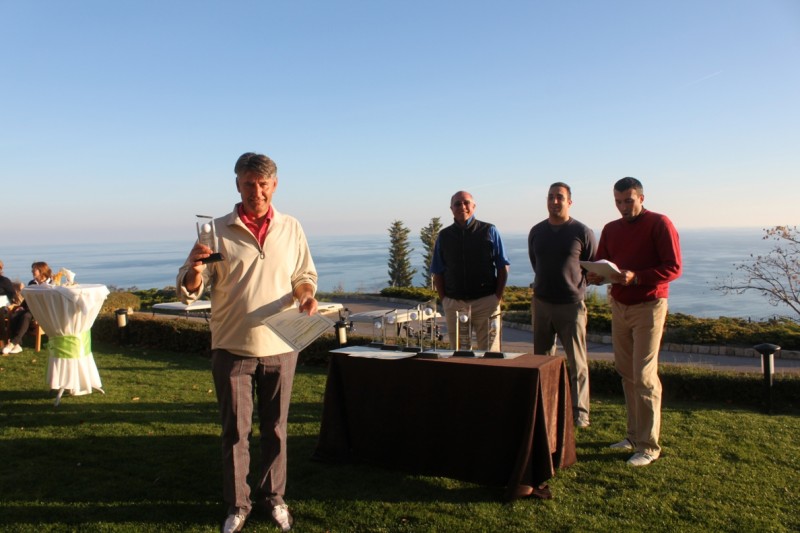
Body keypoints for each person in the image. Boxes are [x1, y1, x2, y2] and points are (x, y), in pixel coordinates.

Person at [177, 152, 317, 533]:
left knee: (276, 429)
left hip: (281, 344)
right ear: (237, 185)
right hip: (232, 347)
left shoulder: (291, 227)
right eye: (249, 184)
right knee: (236, 433)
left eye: (263, 184)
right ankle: (238, 504)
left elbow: (303, 275)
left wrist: (305, 295)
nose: (257, 191)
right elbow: (192, 287)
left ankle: (274, 497)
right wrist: (193, 271)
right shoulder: (215, 231)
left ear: (275, 185)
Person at [587, 177, 682, 467]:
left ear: (641, 198)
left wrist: (637, 277)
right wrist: (596, 276)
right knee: (626, 372)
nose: (623, 207)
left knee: (644, 375)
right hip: (619, 305)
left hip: (649, 306)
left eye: (628, 201)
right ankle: (633, 437)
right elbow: (604, 263)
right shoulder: (611, 229)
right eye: (618, 202)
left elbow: (673, 267)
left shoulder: (659, 223)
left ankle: (649, 446)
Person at [528, 182, 596, 428]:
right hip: (542, 304)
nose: (554, 201)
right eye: (550, 197)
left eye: (559, 197)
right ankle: (546, 407)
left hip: (571, 306)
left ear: (569, 202)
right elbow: (536, 263)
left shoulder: (582, 231)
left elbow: (590, 266)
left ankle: (580, 414)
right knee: (542, 361)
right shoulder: (536, 231)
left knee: (577, 362)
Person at [431, 191, 510, 351]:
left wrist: (497, 297)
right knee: (460, 354)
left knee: (490, 354)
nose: (462, 206)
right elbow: (438, 270)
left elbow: (503, 266)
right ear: (451, 209)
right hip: (455, 305)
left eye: (466, 202)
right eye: (457, 204)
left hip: (486, 303)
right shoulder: (444, 236)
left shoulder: (489, 230)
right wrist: (445, 300)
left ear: (474, 206)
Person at [3, 262, 52, 355]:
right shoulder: (32, 283)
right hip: (30, 308)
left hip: (42, 311)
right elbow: (27, 299)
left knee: (26, 316)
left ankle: (13, 343)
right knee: (15, 315)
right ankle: (18, 345)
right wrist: (21, 306)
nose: (32, 271)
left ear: (41, 271)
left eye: (34, 269)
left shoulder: (51, 284)